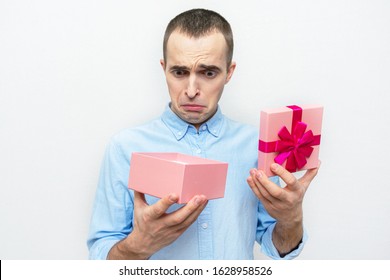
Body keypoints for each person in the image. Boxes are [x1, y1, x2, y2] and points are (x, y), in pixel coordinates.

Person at [87, 8, 319, 260]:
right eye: (179, 72)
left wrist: (291, 219)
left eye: (208, 73)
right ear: (164, 69)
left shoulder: (256, 145)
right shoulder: (125, 147)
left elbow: (279, 248)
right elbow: (100, 254)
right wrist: (138, 246)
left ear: (229, 72)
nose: (191, 90)